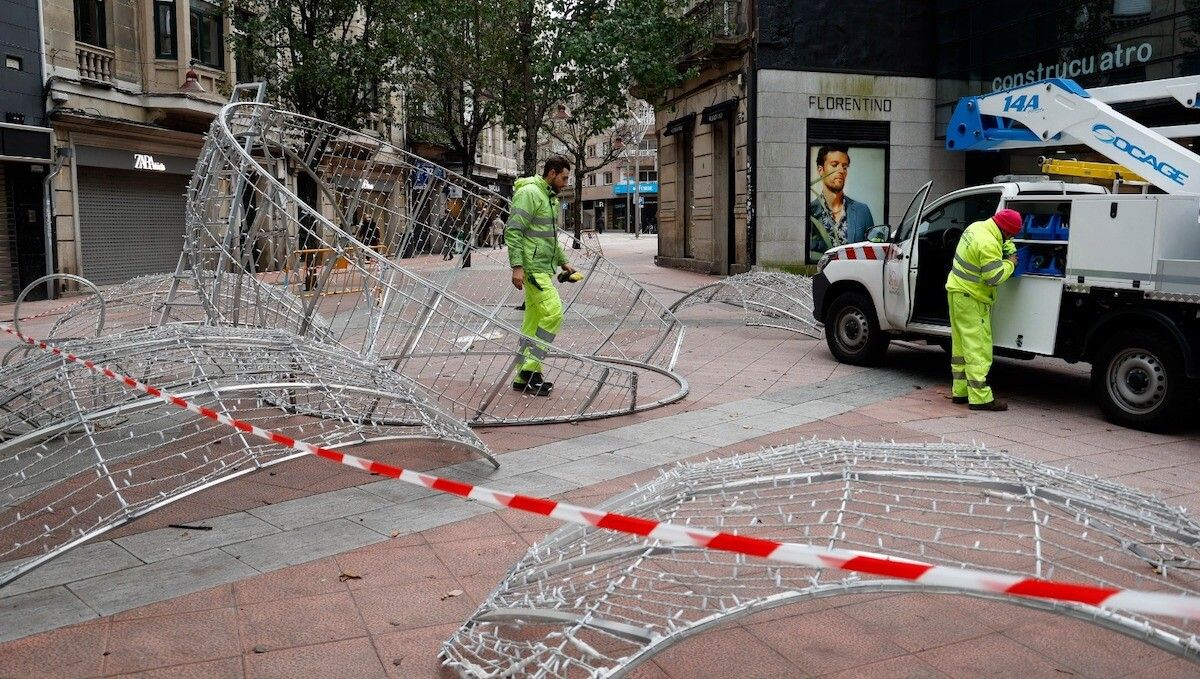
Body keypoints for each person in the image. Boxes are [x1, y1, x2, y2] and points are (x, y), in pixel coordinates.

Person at [506, 156, 577, 396]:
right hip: (532, 268)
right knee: (554, 313)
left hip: (542, 267)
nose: (566, 183)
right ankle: (529, 370)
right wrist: (517, 266)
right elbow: (514, 230)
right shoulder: (530, 194)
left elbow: (551, 236)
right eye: (564, 178)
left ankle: (521, 377)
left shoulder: (548, 198)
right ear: (552, 173)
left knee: (532, 324)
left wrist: (564, 263)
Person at [945, 208, 1022, 412]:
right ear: (1006, 231)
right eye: (1012, 235)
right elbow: (993, 277)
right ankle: (980, 398)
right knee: (978, 348)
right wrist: (1011, 263)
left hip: (956, 292)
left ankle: (960, 391)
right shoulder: (988, 243)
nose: (1011, 238)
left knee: (961, 347)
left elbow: (1002, 241)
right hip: (972, 298)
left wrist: (1009, 247)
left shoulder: (977, 227)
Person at [808, 145, 875, 257]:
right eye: (834, 165)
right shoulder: (810, 212)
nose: (841, 171)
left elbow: (872, 253)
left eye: (844, 167)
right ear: (821, 170)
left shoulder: (862, 211)